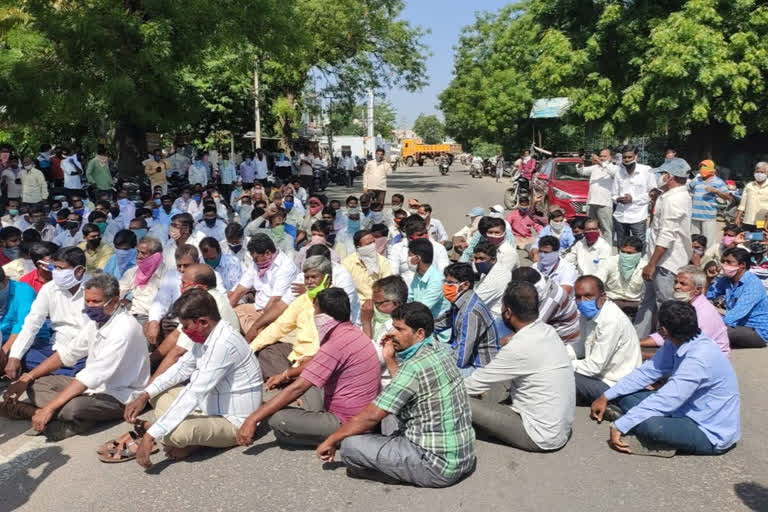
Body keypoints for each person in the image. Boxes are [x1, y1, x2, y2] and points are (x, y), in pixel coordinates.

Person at [316, 302, 476, 488]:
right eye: (393, 326)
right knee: (388, 419)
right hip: (464, 458)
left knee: (350, 446)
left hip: (436, 468)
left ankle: (395, 473)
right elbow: (404, 389)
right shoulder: (440, 350)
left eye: (400, 329)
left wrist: (331, 440)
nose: (392, 333)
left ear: (420, 333)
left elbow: (370, 416)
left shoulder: (413, 367)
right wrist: (390, 359)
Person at [122, 289, 263, 467]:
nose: (184, 331)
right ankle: (167, 428)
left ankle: (177, 436)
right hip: (209, 406)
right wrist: (144, 396)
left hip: (234, 421)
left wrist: (150, 436)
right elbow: (181, 369)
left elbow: (194, 393)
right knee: (157, 393)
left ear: (203, 322)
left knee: (177, 434)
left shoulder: (223, 344)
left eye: (185, 326)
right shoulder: (207, 336)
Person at [1, 274, 150, 440]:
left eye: (96, 302)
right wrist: (26, 378)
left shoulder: (124, 329)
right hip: (90, 387)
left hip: (119, 394)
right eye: (88, 301)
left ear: (115, 302)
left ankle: (35, 412)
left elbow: (92, 376)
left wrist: (49, 408)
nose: (90, 306)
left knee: (72, 408)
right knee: (34, 384)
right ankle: (60, 416)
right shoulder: (97, 322)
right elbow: (68, 353)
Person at [591, 300, 740, 457]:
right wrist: (606, 395)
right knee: (623, 395)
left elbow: (668, 399)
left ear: (663, 330)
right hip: (681, 408)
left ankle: (639, 427)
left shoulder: (699, 358)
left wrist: (620, 426)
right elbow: (648, 372)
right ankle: (634, 419)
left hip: (707, 428)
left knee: (651, 427)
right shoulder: (677, 340)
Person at [237, 287, 380, 448]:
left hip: (347, 421)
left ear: (324, 317)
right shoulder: (352, 332)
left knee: (278, 421)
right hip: (363, 413)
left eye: (315, 311)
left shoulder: (336, 343)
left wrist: (253, 418)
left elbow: (298, 388)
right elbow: (315, 364)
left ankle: (338, 438)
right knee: (303, 383)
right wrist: (286, 375)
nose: (313, 316)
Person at [463, 280, 574, 452]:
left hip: (537, 435)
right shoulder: (548, 331)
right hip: (559, 429)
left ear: (507, 312)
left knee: (457, 399)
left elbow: (473, 385)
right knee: (495, 385)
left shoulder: (519, 346)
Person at [4, 247, 89, 379]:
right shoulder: (49, 288)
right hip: (57, 346)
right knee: (25, 355)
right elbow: (31, 324)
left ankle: (62, 373)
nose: (55, 272)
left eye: (60, 268)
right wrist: (15, 356)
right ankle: (72, 374)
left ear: (79, 271)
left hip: (85, 349)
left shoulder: (94, 289)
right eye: (54, 267)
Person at [248, 255, 334, 378]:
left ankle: (292, 384)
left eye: (314, 277)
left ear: (327, 279)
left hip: (321, 358)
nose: (309, 282)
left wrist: (312, 357)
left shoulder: (337, 300)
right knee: (267, 351)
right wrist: (250, 348)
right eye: (306, 278)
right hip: (298, 356)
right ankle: (292, 381)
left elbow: (334, 340)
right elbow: (279, 327)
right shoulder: (303, 300)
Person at [635, 158, 692, 338]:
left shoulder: (674, 200)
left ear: (669, 177)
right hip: (658, 258)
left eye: (662, 174)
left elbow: (667, 235)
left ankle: (668, 342)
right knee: (648, 301)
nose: (659, 177)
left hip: (666, 262)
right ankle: (638, 338)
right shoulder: (668, 196)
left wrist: (652, 263)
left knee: (666, 305)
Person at [571, 276, 642, 405]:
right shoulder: (588, 315)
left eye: (588, 296)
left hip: (613, 385)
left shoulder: (611, 321)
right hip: (598, 377)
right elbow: (581, 346)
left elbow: (594, 367)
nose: (582, 302)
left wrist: (561, 364)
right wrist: (558, 354)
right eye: (578, 297)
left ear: (603, 297)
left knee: (558, 375)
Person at [641, 265, 729, 358]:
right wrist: (639, 343)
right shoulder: (682, 305)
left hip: (708, 358)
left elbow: (689, 349)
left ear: (697, 290)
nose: (676, 286)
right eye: (676, 282)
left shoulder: (703, 314)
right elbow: (667, 335)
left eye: (683, 284)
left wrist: (644, 355)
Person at [230, 234, 299, 341]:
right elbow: (240, 289)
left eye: (256, 259)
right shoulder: (257, 263)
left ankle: (257, 333)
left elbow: (275, 302)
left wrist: (257, 326)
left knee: (251, 330)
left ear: (267, 253)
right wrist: (227, 310)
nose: (255, 262)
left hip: (274, 313)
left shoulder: (286, 267)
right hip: (257, 307)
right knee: (228, 314)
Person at [435, 263, 499, 375]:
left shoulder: (470, 313)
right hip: (462, 353)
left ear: (465, 285)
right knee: (426, 347)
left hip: (478, 367)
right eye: (445, 281)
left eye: (450, 283)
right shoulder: (461, 301)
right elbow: (442, 322)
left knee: (433, 371)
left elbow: (461, 357)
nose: (445, 286)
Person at [707, 247, 768, 348]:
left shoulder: (752, 284)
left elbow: (737, 313)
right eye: (723, 261)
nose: (724, 265)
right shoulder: (726, 280)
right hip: (738, 326)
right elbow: (706, 296)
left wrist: (711, 324)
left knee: (715, 330)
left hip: (757, 332)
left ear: (742, 265)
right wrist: (709, 279)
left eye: (729, 262)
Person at [511, 267, 580, 345]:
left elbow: (531, 329)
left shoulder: (551, 300)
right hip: (549, 329)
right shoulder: (544, 281)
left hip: (563, 342)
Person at [407, 239, 451, 342]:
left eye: (409, 256)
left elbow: (422, 308)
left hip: (438, 333)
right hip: (421, 325)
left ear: (417, 258)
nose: (408, 260)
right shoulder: (418, 275)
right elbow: (410, 298)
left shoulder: (437, 279)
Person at [611, 145, 656, 247]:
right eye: (625, 157)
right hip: (620, 216)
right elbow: (613, 194)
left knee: (639, 245)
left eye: (629, 157)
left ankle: (641, 263)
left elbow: (653, 193)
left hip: (638, 216)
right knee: (622, 245)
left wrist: (633, 199)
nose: (627, 160)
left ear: (636, 157)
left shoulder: (646, 170)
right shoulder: (619, 172)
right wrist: (618, 199)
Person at [388, 215, 450, 285]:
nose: (424, 236)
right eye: (420, 235)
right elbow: (393, 274)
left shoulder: (439, 248)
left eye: (426, 233)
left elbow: (443, 274)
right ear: (409, 237)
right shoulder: (397, 248)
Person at [595, 236, 646, 320]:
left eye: (629, 253)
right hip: (611, 301)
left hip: (635, 304)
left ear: (639, 254)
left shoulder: (645, 267)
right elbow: (597, 281)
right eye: (623, 252)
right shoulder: (610, 262)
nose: (625, 256)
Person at [118, 236, 166, 323]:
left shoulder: (167, 274)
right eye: (138, 252)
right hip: (133, 317)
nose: (138, 256)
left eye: (143, 253)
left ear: (156, 256)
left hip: (156, 320)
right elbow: (117, 293)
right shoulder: (132, 272)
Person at [0, 268, 37, 374]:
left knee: (28, 358)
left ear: (5, 280)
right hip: (3, 343)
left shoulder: (23, 291)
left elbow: (23, 324)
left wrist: (5, 351)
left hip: (31, 341)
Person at [578, 148, 618, 241]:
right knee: (592, 228)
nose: (602, 158)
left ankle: (607, 251)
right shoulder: (595, 167)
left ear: (610, 157)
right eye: (600, 156)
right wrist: (581, 162)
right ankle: (593, 247)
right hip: (591, 202)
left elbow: (613, 173)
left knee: (606, 229)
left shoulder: (614, 168)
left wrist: (599, 162)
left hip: (604, 203)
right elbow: (581, 171)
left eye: (604, 156)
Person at [688, 160, 730, 250]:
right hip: (694, 216)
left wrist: (716, 191)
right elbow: (688, 190)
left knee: (708, 242)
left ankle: (707, 260)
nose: (702, 169)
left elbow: (727, 197)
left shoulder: (719, 182)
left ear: (712, 169)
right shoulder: (696, 180)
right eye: (701, 167)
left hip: (708, 216)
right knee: (693, 241)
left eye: (705, 167)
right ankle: (694, 260)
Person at [342, 230, 392, 302]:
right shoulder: (347, 263)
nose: (372, 246)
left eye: (373, 242)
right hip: (355, 304)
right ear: (358, 247)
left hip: (378, 302)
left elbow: (388, 284)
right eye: (368, 244)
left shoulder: (382, 261)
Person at [735, 161, 768, 232]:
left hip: (762, 221)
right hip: (748, 220)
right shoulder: (749, 186)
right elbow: (742, 204)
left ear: (766, 173)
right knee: (745, 239)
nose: (759, 174)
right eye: (757, 171)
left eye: (762, 172)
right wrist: (737, 217)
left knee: (759, 240)